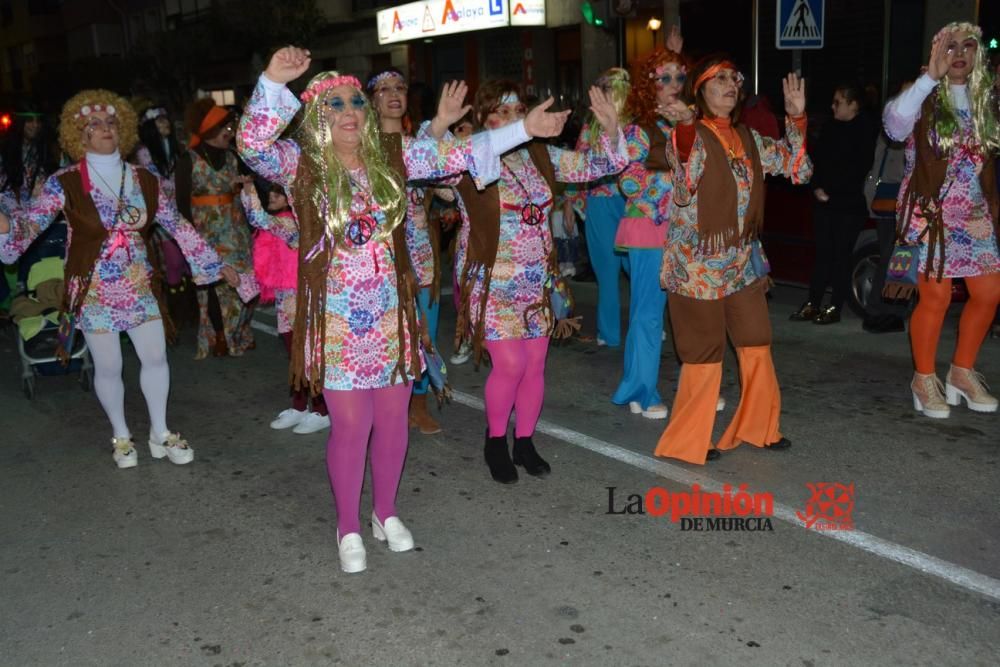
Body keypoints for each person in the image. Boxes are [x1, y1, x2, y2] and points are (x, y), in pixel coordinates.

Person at [237, 46, 572, 572]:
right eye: (335, 104)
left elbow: (462, 153)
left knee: (393, 420)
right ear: (318, 119)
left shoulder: (393, 158)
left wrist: (522, 128)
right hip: (339, 321)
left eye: (355, 102)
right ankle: (348, 525)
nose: (349, 110)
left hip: (392, 314)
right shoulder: (298, 164)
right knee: (351, 425)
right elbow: (253, 144)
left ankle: (385, 513)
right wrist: (272, 82)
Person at [0, 89, 238, 468]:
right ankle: (121, 436)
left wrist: (212, 261)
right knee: (109, 367)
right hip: (92, 289)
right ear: (79, 135)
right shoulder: (64, 182)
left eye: (111, 122)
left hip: (139, 284)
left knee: (156, 357)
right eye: (93, 124)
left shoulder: (145, 178)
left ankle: (160, 432)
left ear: (123, 128)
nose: (105, 129)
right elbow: (28, 226)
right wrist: (5, 225)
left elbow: (176, 224)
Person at [442, 78, 627, 484]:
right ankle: (495, 441)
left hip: (535, 277)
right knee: (509, 364)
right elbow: (429, 159)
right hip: (492, 278)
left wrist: (612, 129)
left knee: (536, 364)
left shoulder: (539, 156)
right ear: (484, 119)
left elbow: (599, 166)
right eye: (501, 112)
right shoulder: (470, 155)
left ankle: (524, 440)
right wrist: (441, 123)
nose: (512, 118)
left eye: (517, 111)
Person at [655, 56, 812, 464]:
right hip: (696, 266)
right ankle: (690, 439)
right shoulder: (689, 134)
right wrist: (686, 125)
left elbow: (799, 170)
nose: (729, 84)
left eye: (733, 78)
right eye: (718, 79)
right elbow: (686, 179)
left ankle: (760, 426)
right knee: (704, 353)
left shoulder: (749, 137)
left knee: (757, 341)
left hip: (741, 263)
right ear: (700, 91)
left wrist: (797, 119)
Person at [882, 22, 999, 417]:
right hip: (931, 211)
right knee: (937, 297)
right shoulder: (924, 97)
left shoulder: (986, 100)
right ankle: (924, 377)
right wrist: (927, 79)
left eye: (968, 46)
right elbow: (894, 126)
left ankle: (961, 372)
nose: (960, 53)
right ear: (937, 52)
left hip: (974, 212)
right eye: (951, 46)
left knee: (989, 294)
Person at [610, 47, 685, 420]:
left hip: (684, 232)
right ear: (649, 85)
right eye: (665, 77)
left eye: (680, 77)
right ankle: (639, 390)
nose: (674, 84)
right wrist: (674, 184)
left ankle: (695, 389)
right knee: (648, 315)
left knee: (689, 313)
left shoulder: (686, 123)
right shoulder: (639, 128)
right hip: (650, 229)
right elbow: (628, 182)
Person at [367, 66, 443, 435]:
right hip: (380, 254)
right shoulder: (362, 149)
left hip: (420, 247)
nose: (393, 94)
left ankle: (420, 402)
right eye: (383, 89)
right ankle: (390, 401)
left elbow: (446, 186)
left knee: (426, 323)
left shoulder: (419, 144)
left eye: (399, 88)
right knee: (390, 331)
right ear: (371, 100)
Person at [242, 182, 330, 434]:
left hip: (304, 298)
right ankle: (300, 405)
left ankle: (321, 409)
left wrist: (249, 190)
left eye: (277, 193)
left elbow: (258, 218)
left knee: (307, 354)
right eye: (268, 191)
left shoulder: (291, 223)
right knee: (295, 354)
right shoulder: (283, 223)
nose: (271, 196)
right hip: (286, 299)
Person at [790, 83, 876, 324]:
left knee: (841, 256)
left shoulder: (864, 130)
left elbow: (858, 169)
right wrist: (816, 187)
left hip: (848, 205)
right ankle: (813, 302)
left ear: (853, 105)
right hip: (824, 202)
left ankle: (835, 306)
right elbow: (816, 159)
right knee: (823, 255)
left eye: (838, 102)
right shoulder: (830, 127)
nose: (833, 106)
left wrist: (833, 193)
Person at [176, 98, 255, 358]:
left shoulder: (233, 157)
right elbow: (181, 205)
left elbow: (249, 190)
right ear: (210, 130)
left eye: (231, 129)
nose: (230, 134)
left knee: (244, 281)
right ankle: (220, 335)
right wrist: (190, 241)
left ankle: (240, 331)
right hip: (206, 232)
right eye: (225, 129)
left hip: (236, 229)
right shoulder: (189, 160)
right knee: (215, 284)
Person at [565, 67, 631, 348]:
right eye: (603, 86)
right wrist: (569, 203)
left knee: (639, 270)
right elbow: (575, 165)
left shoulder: (636, 125)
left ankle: (646, 327)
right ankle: (609, 332)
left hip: (633, 205)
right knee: (606, 272)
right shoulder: (590, 126)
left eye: (611, 86)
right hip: (601, 202)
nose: (607, 91)